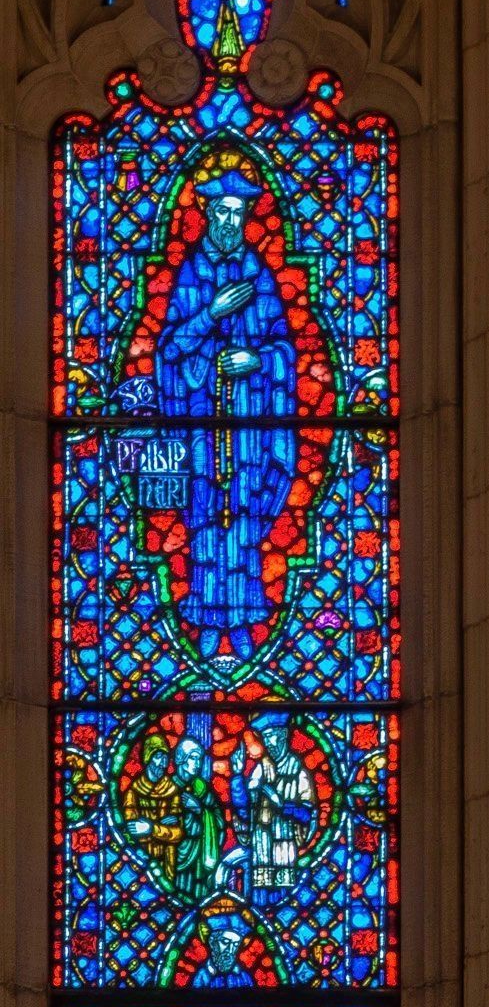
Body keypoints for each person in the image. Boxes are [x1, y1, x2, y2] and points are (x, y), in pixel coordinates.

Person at [153, 169, 298, 667]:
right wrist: (210, 313)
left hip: (249, 420)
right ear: (208, 214)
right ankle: (206, 618)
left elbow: (285, 348)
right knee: (204, 514)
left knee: (244, 512)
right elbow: (169, 349)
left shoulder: (259, 274)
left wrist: (257, 360)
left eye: (239, 213)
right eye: (223, 212)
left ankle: (242, 619)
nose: (231, 221)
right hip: (199, 421)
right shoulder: (190, 273)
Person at [236, 715, 317, 899]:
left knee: (283, 895)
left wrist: (281, 805)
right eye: (266, 738)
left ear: (284, 735)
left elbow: (307, 815)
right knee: (259, 896)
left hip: (284, 846)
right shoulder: (259, 771)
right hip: (261, 844)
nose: (270, 744)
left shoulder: (298, 771)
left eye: (273, 737)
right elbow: (244, 810)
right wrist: (237, 777)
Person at [169, 735, 231, 906]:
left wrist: (199, 810)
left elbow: (219, 821)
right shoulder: (167, 787)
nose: (197, 764)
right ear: (181, 759)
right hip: (175, 853)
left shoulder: (202, 788)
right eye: (193, 758)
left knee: (200, 894)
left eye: (200, 759)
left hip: (200, 856)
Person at [122, 733, 183, 882]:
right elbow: (130, 831)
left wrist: (150, 828)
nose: (163, 764)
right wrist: (163, 827)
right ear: (147, 758)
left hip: (167, 863)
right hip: (140, 862)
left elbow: (178, 834)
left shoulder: (172, 791)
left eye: (165, 758)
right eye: (158, 757)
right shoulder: (133, 792)